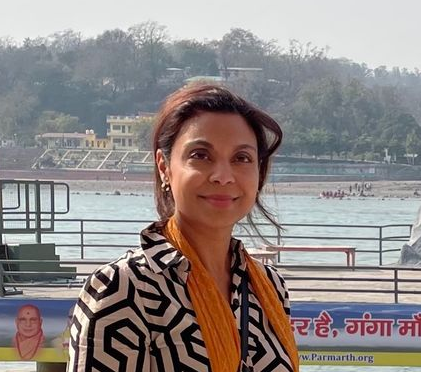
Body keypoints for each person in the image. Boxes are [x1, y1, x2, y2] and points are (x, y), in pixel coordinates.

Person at [68, 84, 299, 371]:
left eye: (241, 158)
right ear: (164, 167)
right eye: (201, 155)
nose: (223, 176)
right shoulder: (124, 288)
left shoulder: (268, 286)